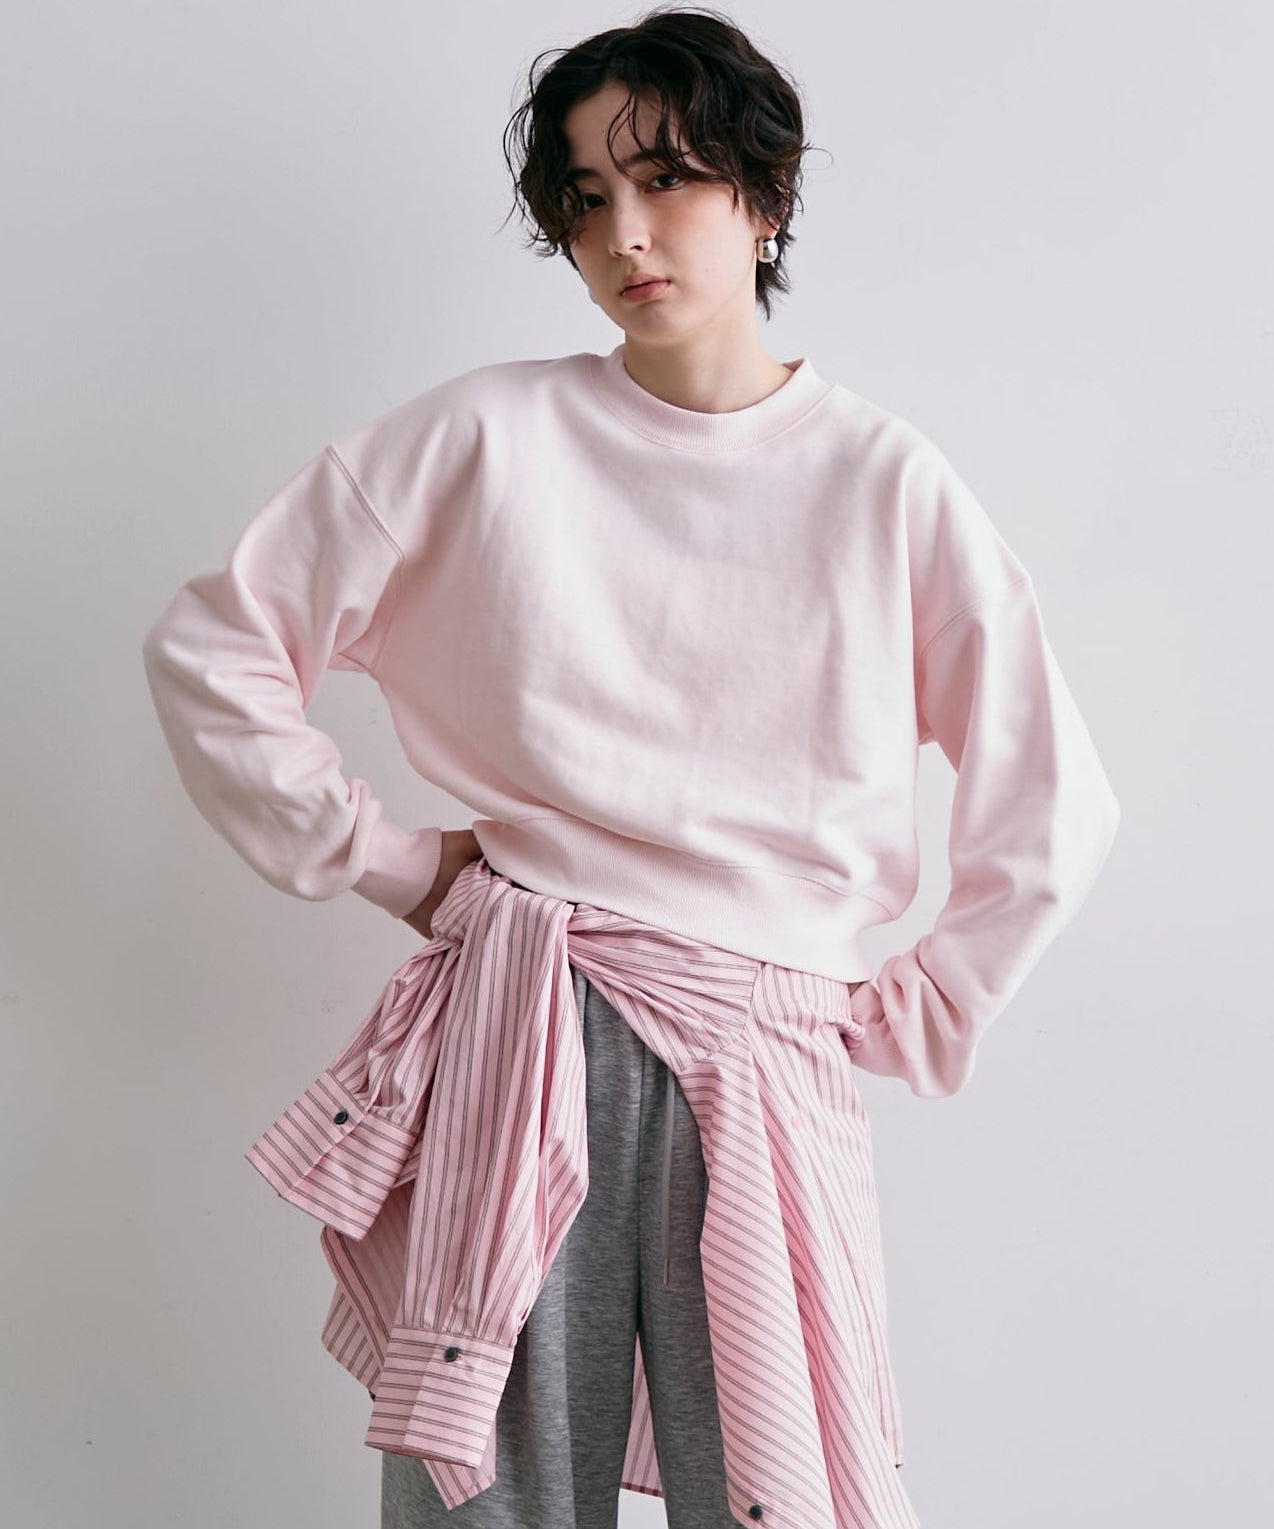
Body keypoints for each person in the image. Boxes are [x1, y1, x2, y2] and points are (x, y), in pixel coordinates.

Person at [140, 8, 1120, 1529]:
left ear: (766, 196)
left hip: (765, 1052)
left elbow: (1052, 797)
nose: (625, 234)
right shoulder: (483, 438)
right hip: (528, 1013)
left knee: (780, 1493)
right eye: (587, 198)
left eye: (664, 180)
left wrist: (920, 1006)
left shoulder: (883, 483)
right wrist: (389, 862)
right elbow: (214, 649)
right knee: (496, 1498)